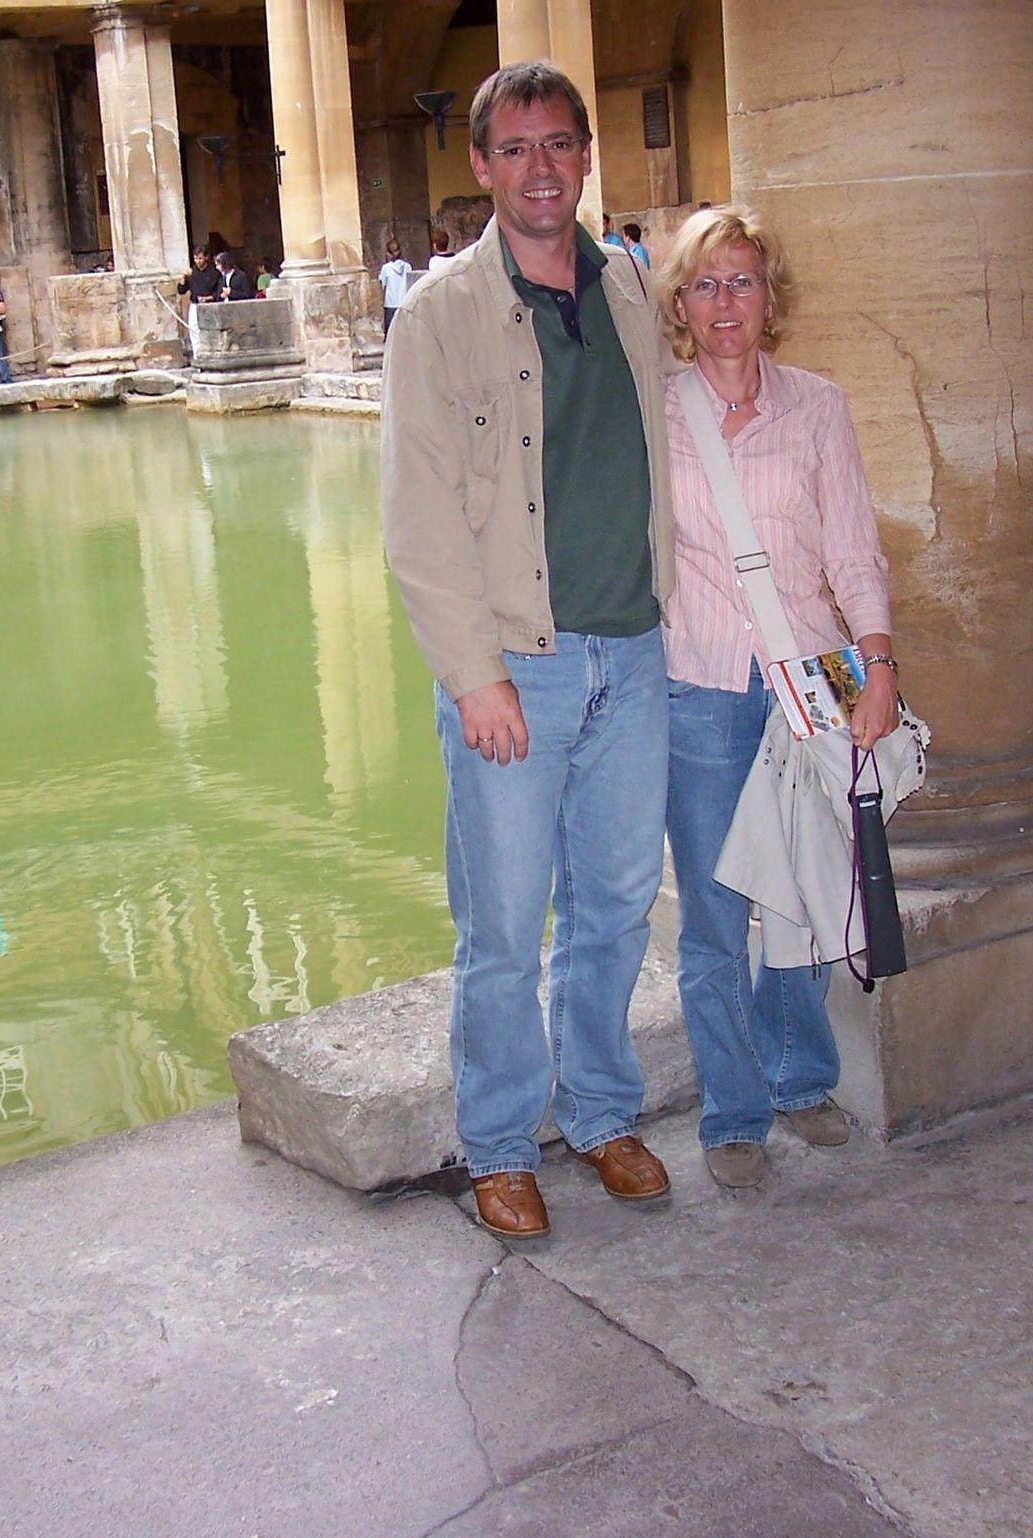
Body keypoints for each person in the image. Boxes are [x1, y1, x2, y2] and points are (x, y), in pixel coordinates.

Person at [381, 61, 677, 1240]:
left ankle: (599, 1112)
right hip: (518, 666)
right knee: (503, 928)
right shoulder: (438, 313)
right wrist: (474, 676)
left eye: (557, 144)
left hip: (635, 654)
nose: (539, 168)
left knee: (613, 908)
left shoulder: (629, 290)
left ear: (586, 155)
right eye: (514, 149)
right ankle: (501, 1143)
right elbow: (418, 521)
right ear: (480, 165)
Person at [654, 204, 895, 1188]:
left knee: (808, 888)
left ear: (769, 297)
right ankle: (732, 1111)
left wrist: (878, 666)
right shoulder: (656, 414)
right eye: (705, 284)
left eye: (743, 281)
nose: (725, 302)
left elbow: (853, 549)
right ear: (679, 303)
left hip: (817, 672)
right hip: (700, 680)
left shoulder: (817, 406)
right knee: (715, 913)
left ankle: (800, 1077)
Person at [377, 237, 413, 335]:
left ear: (388, 253)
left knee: (391, 333)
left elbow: (381, 284)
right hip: (404, 301)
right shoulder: (407, 266)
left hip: (390, 303)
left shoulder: (386, 268)